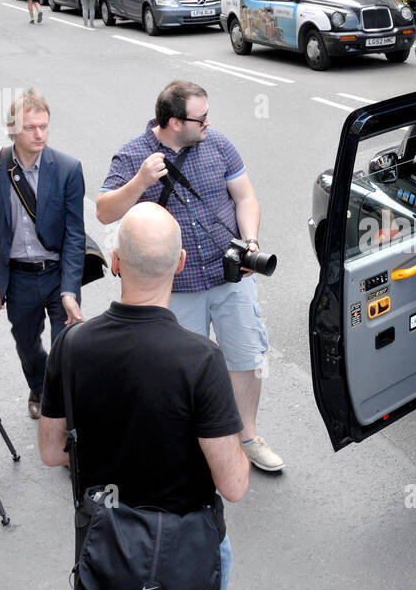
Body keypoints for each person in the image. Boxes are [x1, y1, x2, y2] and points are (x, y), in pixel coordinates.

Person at [39, 203, 248, 590]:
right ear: (179, 263)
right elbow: (233, 485)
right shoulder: (200, 359)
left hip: (110, 541)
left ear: (114, 261)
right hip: (186, 549)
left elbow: (52, 451)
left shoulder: (72, 346)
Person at [97, 81, 282, 473]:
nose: (209, 123)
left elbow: (245, 197)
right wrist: (141, 182)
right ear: (175, 122)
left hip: (230, 276)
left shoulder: (218, 145)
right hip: (176, 287)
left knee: (246, 358)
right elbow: (104, 211)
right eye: (201, 118)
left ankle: (247, 437)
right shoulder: (134, 155)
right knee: (183, 370)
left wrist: (250, 242)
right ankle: (195, 444)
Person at [0, 89, 87, 420]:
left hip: (56, 276)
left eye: (44, 126)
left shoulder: (67, 168)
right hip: (19, 277)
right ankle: (38, 385)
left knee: (65, 347)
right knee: (26, 345)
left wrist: (70, 290)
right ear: (12, 129)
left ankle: (64, 415)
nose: (39, 134)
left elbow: (75, 235)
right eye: (30, 128)